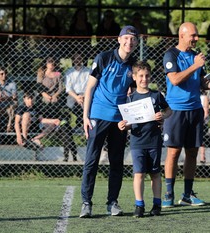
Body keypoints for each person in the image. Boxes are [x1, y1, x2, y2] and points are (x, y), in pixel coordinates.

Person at [79, 25, 139, 218]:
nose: (129, 42)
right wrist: (85, 116)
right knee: (91, 161)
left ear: (136, 43)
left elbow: (136, 93)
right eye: (126, 38)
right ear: (119, 39)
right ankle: (86, 203)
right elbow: (89, 88)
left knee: (116, 163)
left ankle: (112, 202)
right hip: (98, 115)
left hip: (120, 120)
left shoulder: (134, 65)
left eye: (133, 39)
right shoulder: (103, 58)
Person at [162, 22, 210, 208]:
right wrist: (195, 66)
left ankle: (187, 194)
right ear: (182, 35)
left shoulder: (195, 56)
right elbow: (175, 79)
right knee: (173, 152)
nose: (196, 38)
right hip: (176, 110)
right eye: (192, 35)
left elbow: (200, 83)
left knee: (192, 152)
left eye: (196, 35)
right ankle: (168, 194)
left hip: (195, 109)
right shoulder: (171, 54)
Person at [118, 61, 171, 217]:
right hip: (137, 142)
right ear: (134, 77)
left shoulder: (156, 95)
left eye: (147, 75)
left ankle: (157, 204)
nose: (144, 79)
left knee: (155, 173)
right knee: (139, 174)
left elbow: (169, 110)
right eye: (140, 76)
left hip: (154, 140)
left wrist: (163, 115)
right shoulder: (130, 98)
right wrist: (123, 125)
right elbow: (128, 123)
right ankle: (139, 205)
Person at [14, 92, 66, 158]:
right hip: (25, 128)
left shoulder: (36, 108)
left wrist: (54, 121)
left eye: (32, 98)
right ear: (24, 99)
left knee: (53, 124)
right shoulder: (21, 108)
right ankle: (25, 138)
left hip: (36, 127)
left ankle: (35, 138)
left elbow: (41, 120)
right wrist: (18, 136)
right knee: (26, 115)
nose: (30, 100)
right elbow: (16, 123)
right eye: (28, 98)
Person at [64, 53, 91, 132]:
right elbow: (68, 88)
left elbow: (90, 85)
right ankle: (80, 124)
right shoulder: (69, 72)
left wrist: (83, 96)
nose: (77, 60)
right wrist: (76, 97)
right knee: (73, 104)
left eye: (79, 58)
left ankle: (82, 125)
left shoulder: (88, 71)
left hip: (85, 93)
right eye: (76, 59)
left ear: (82, 59)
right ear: (73, 60)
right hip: (73, 94)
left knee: (85, 103)